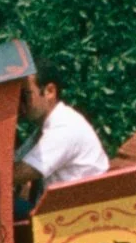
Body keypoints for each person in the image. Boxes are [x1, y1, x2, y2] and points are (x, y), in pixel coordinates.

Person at [16, 66, 109, 206]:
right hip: (63, 209)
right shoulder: (46, 127)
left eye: (25, 96)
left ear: (50, 91)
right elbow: (16, 160)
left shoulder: (64, 128)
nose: (20, 105)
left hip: (79, 211)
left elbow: (19, 173)